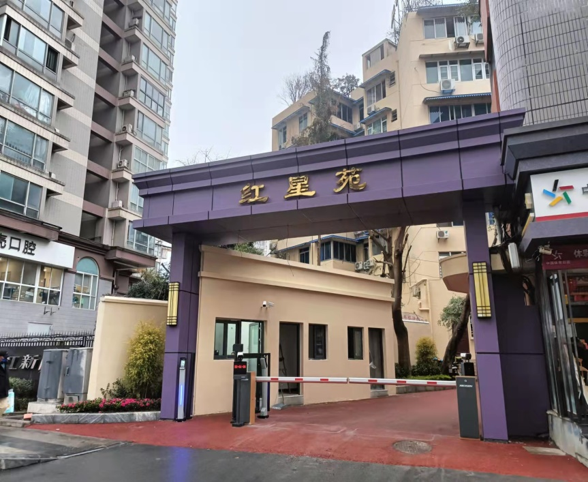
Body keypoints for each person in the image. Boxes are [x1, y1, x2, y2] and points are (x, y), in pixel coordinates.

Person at [0, 351, 9, 415]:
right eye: (3, 357)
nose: (4, 359)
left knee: (4, 406)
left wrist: (8, 387)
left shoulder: (4, 365)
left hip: (3, 391)